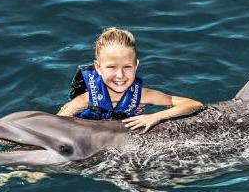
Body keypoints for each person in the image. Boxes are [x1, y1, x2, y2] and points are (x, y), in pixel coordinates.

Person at [57, 27, 204, 132]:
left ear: (136, 66)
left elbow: (194, 104)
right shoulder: (85, 100)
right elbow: (55, 125)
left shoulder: (143, 96)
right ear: (98, 68)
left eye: (127, 67)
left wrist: (155, 117)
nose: (120, 75)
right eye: (111, 67)